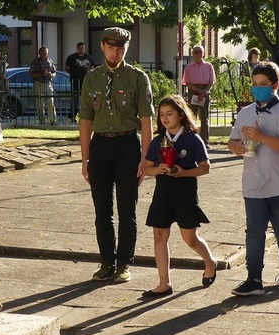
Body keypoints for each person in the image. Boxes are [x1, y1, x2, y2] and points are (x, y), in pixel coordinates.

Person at [79, 27, 154, 283]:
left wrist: (146, 158)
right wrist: (85, 158)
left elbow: (146, 121)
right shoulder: (92, 79)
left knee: (127, 211)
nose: (115, 53)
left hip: (127, 147)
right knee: (102, 211)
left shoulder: (137, 78)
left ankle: (123, 264)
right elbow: (85, 121)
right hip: (100, 147)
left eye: (120, 48)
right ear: (102, 46)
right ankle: (106, 262)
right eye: (111, 47)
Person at [228, 61, 279, 296]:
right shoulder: (246, 112)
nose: (258, 88)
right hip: (253, 183)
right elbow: (232, 140)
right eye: (255, 84)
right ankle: (254, 278)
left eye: (264, 84)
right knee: (254, 231)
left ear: (275, 86)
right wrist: (236, 148)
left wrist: (262, 136)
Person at [141, 95, 216, 298]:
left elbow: (205, 168)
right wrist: (159, 169)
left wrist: (183, 172)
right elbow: (147, 168)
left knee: (189, 238)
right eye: (162, 115)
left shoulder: (192, 139)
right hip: (163, 193)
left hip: (185, 193)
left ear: (181, 115)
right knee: (159, 235)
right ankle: (163, 283)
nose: (165, 118)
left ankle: (210, 262)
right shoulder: (158, 141)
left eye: (170, 114)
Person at [181, 45, 216, 149]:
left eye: (200, 52)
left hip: (205, 90)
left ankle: (205, 142)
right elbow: (187, 82)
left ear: (203, 53)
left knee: (204, 118)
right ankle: (192, 140)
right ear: (193, 54)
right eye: (196, 52)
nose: (198, 54)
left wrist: (204, 91)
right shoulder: (188, 67)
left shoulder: (209, 66)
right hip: (194, 90)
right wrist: (199, 91)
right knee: (192, 117)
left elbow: (212, 81)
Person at [65, 42, 95, 118]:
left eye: (83, 48)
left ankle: (86, 116)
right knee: (75, 99)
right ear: (77, 48)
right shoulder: (72, 57)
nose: (82, 50)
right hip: (75, 81)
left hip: (86, 82)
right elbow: (67, 68)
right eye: (80, 48)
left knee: (86, 99)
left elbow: (92, 68)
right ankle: (72, 116)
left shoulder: (88, 57)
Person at [29, 46, 57, 125]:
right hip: (39, 83)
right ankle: (42, 121)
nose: (44, 53)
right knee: (40, 103)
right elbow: (31, 74)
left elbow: (54, 72)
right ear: (39, 53)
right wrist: (41, 73)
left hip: (48, 83)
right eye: (43, 51)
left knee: (50, 102)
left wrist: (51, 75)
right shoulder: (35, 62)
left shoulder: (50, 61)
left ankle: (53, 121)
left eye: (46, 51)